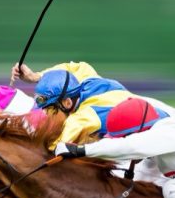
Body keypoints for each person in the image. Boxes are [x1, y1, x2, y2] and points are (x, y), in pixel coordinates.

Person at [12, 61, 150, 149]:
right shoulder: (83, 76)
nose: (47, 117)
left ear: (67, 103)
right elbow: (71, 68)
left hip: (156, 146)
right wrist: (37, 76)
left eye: (50, 111)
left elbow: (56, 145)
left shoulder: (86, 116)